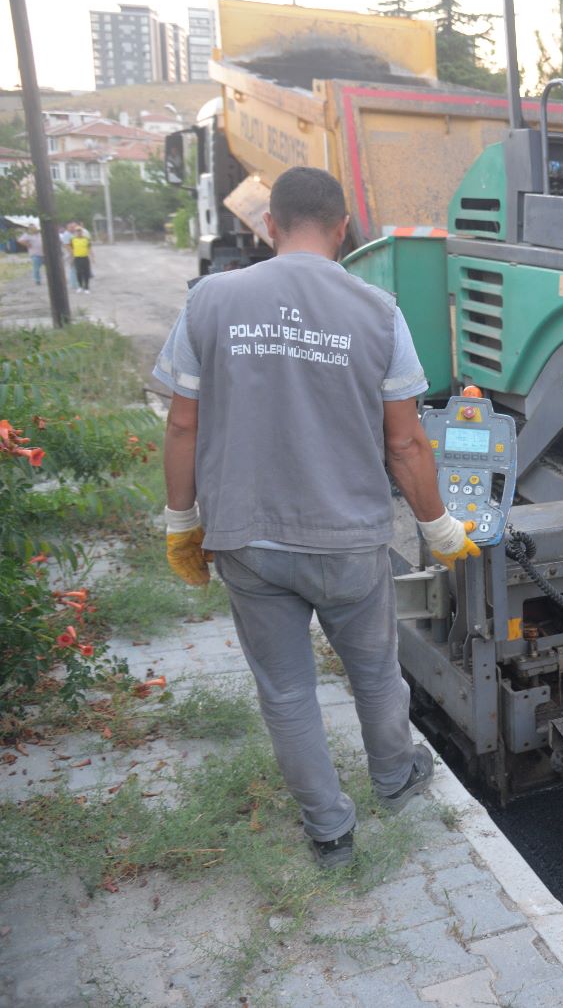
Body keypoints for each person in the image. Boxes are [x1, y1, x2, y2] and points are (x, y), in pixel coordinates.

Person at [153, 166, 481, 869]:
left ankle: (330, 834)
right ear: (341, 230)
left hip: (245, 537)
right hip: (348, 541)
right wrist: (437, 527)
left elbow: (183, 426)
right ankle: (394, 779)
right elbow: (406, 443)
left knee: (287, 691)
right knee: (374, 671)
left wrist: (182, 522)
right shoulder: (378, 310)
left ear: (269, 225)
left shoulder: (210, 299)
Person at [69, 223, 93, 293]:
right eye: (77, 231)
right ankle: (80, 286)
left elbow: (89, 248)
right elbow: (72, 250)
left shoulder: (86, 239)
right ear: (75, 232)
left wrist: (92, 257)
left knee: (86, 273)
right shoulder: (73, 239)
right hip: (77, 258)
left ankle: (87, 287)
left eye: (80, 231)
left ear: (82, 232)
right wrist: (71, 259)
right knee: (78, 272)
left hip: (85, 257)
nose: (79, 232)